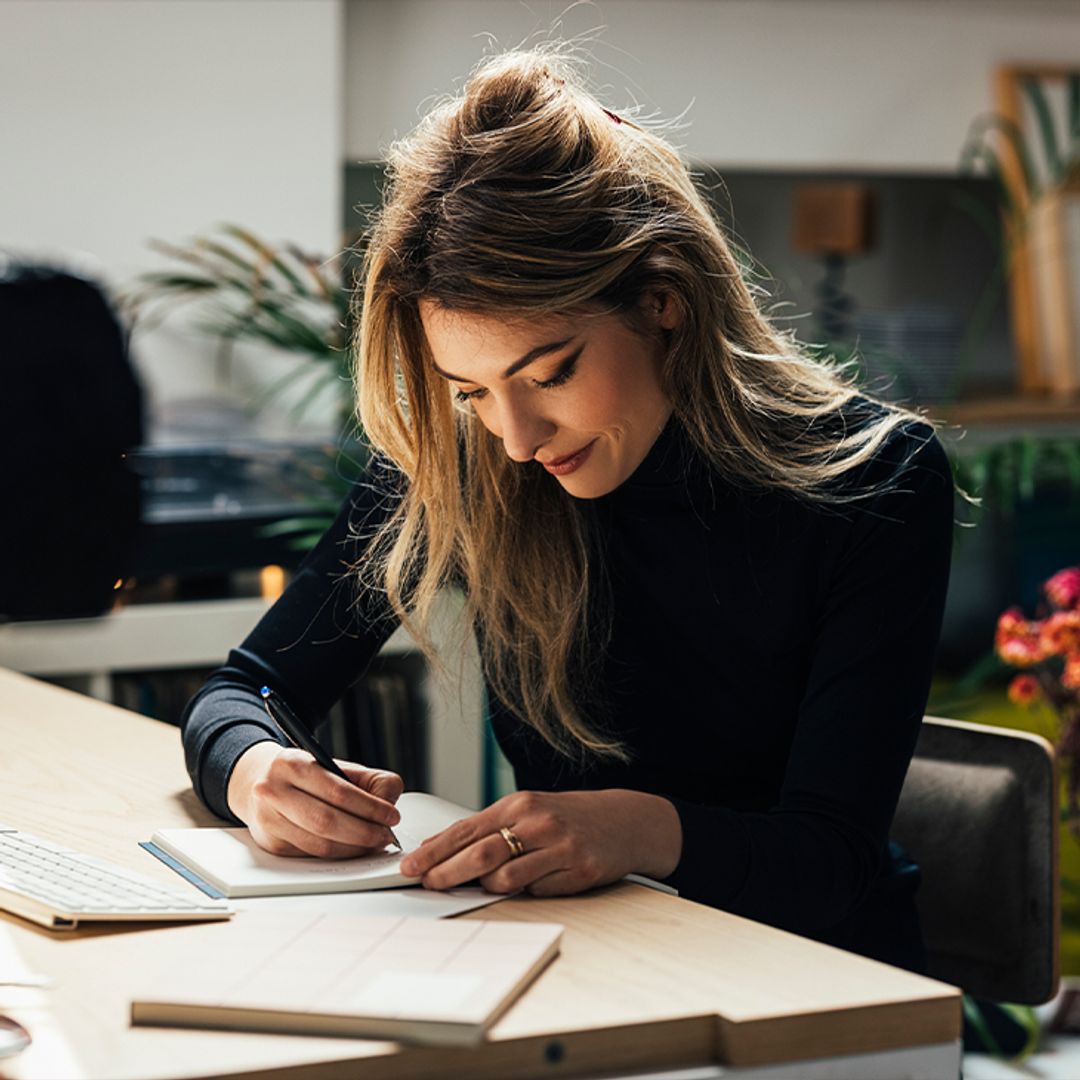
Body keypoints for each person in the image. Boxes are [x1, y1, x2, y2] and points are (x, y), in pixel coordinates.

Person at [181, 48, 954, 975]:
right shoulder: (467, 465)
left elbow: (830, 863)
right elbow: (244, 691)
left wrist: (637, 829)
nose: (515, 438)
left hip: (821, 979)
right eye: (470, 391)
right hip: (589, 958)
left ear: (665, 303)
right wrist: (256, 770)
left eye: (550, 374)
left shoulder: (874, 476)